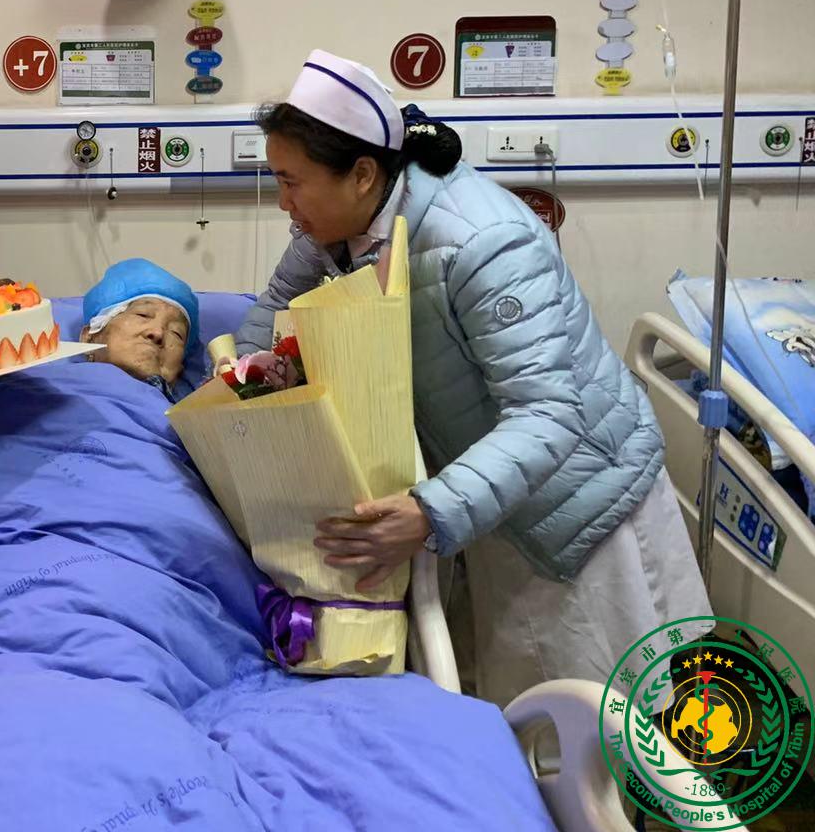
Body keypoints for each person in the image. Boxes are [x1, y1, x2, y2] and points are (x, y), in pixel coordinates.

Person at [233, 49, 710, 706]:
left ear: (363, 174)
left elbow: (549, 414)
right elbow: (272, 308)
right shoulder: (333, 231)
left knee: (614, 719)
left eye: (292, 182)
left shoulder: (483, 242)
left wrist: (431, 512)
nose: (284, 204)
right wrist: (241, 386)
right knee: (527, 715)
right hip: (491, 495)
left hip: (581, 505)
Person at [80, 258, 199, 400]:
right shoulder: (59, 390)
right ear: (89, 338)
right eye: (143, 314)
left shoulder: (198, 411)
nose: (158, 332)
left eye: (176, 333)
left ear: (180, 367)